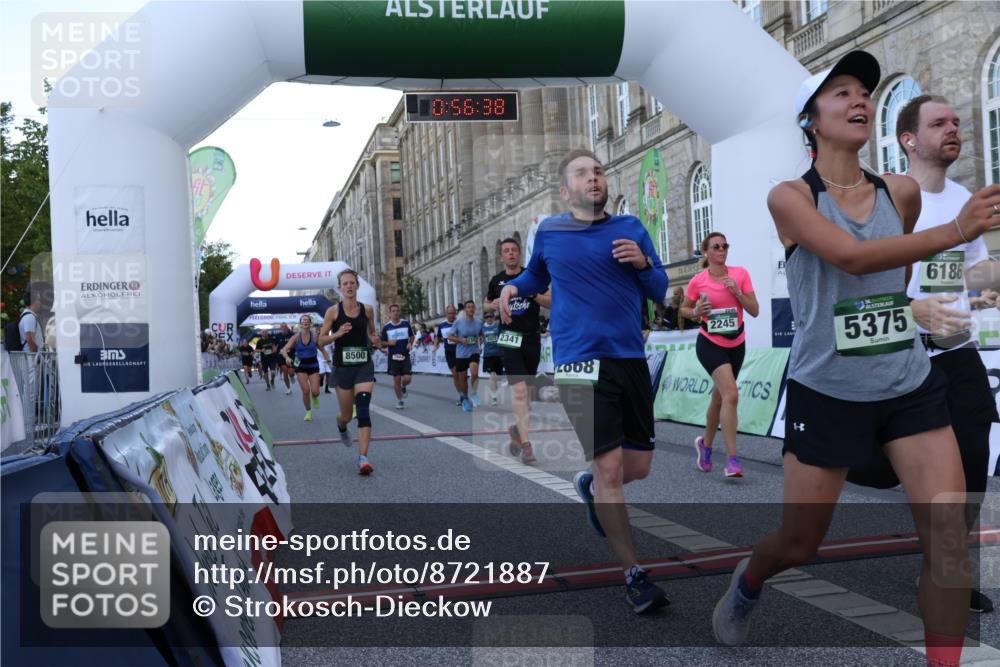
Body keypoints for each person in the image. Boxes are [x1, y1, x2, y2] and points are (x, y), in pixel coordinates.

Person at [710, 52, 1000, 667]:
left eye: (864, 90)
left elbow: (892, 281)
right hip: (828, 389)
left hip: (908, 384)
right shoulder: (789, 198)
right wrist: (957, 231)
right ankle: (750, 580)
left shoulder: (901, 192)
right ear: (810, 120)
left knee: (947, 543)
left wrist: (916, 310)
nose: (859, 99)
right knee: (797, 543)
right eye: (840, 92)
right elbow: (851, 258)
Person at [844, 94, 1000, 614]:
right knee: (878, 468)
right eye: (939, 123)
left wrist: (989, 286)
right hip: (899, 358)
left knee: (972, 469)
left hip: (959, 354)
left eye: (956, 121)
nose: (953, 128)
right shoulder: (883, 198)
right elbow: (856, 282)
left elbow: (975, 269)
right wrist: (914, 312)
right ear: (908, 139)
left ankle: (946, 573)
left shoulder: (964, 198)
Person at [500, 148, 669, 613]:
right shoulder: (550, 231)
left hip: (629, 357)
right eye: (582, 173)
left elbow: (659, 289)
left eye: (598, 171)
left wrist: (642, 263)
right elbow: (536, 274)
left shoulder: (631, 229)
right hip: (579, 361)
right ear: (565, 189)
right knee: (611, 469)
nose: (594, 178)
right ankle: (634, 574)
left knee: (638, 467)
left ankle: (590, 487)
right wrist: (515, 287)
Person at [681, 231, 759, 477]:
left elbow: (754, 310)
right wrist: (696, 311)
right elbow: (683, 309)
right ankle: (732, 460)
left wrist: (737, 291)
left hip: (737, 343)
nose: (722, 250)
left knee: (719, 399)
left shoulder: (740, 274)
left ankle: (705, 444)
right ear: (706, 252)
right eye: (716, 246)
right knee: (732, 394)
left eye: (725, 245)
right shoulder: (698, 280)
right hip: (710, 343)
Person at [486, 237, 552, 464]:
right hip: (509, 338)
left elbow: (550, 302)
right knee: (520, 391)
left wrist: (531, 293)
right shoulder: (497, 281)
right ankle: (527, 445)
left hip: (531, 339)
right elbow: (487, 303)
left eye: (514, 250)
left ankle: (517, 429)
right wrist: (493, 304)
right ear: (501, 256)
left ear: (520, 253)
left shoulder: (531, 277)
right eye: (506, 251)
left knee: (528, 394)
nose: (511, 254)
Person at [319, 269, 380, 475]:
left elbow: (373, 332)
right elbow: (321, 340)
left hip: (363, 365)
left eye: (352, 283)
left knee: (363, 407)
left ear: (357, 285)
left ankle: (363, 458)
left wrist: (374, 339)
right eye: (345, 284)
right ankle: (342, 426)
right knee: (346, 415)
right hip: (342, 368)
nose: (349, 286)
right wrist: (337, 333)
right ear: (339, 288)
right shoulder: (333, 312)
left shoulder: (368, 310)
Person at [282, 314, 330, 422]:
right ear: (300, 324)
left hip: (313, 365)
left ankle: (315, 397)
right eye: (303, 321)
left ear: (310, 323)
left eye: (307, 320)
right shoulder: (295, 337)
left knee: (316, 391)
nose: (305, 322)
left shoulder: (314, 336)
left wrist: (329, 362)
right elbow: (284, 349)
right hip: (301, 366)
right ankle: (308, 413)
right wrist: (287, 357)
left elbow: (323, 350)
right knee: (305, 391)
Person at [449, 300, 484, 412]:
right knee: (463, 379)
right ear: (465, 309)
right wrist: (460, 340)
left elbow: (481, 334)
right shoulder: (458, 322)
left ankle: (474, 394)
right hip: (461, 354)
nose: (471, 309)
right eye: (468, 307)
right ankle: (465, 398)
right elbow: (450, 337)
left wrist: (481, 339)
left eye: (472, 307)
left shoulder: (478, 322)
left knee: (474, 373)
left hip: (474, 351)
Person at [380, 304, 415, 409]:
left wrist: (410, 343)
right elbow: (382, 342)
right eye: (393, 311)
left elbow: (412, 336)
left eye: (397, 311)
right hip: (393, 356)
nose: (395, 313)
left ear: (399, 312)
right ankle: (399, 401)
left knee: (407, 378)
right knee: (396, 379)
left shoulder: (405, 324)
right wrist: (389, 343)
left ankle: (404, 386)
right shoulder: (387, 327)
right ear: (390, 313)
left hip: (404, 355)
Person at [433, 305, 463, 406]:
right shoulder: (442, 325)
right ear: (446, 314)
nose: (451, 315)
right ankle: (461, 395)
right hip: (449, 353)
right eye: (449, 313)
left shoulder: (460, 323)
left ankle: (464, 394)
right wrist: (435, 345)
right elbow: (438, 337)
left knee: (461, 375)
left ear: (456, 313)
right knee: (455, 375)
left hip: (461, 351)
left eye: (453, 313)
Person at [481, 310, 505, 406]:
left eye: (491, 316)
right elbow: (479, 338)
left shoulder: (498, 326)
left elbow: (503, 337)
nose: (489, 318)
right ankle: (494, 398)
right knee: (492, 376)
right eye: (487, 317)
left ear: (493, 317)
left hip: (499, 354)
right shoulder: (482, 328)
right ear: (485, 319)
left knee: (496, 377)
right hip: (488, 355)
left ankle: (505, 377)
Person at [275, 323, 295, 395]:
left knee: (291, 372)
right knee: (285, 371)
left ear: (287, 327)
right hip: (281, 356)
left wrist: (290, 348)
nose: (283, 328)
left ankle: (292, 376)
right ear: (280, 328)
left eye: (284, 326)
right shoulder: (278, 336)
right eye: (282, 327)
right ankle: (288, 388)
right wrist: (275, 349)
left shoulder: (292, 334)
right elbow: (274, 345)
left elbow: (296, 343)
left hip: (291, 355)